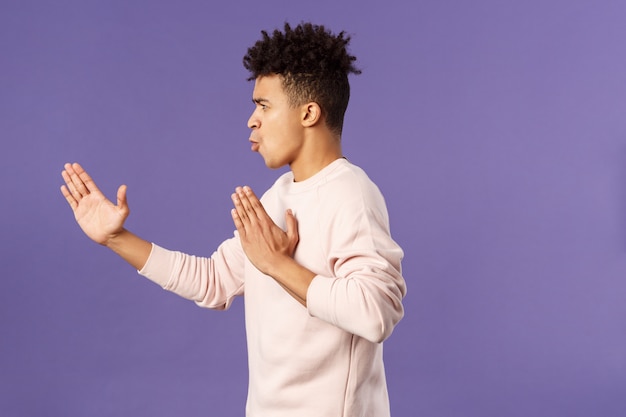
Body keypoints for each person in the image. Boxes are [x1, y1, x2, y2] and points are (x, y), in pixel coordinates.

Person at [61, 22, 406, 417]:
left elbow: (375, 313)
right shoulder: (277, 196)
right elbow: (213, 281)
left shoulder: (351, 193)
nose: (251, 120)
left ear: (309, 112)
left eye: (264, 105)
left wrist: (277, 265)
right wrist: (115, 238)